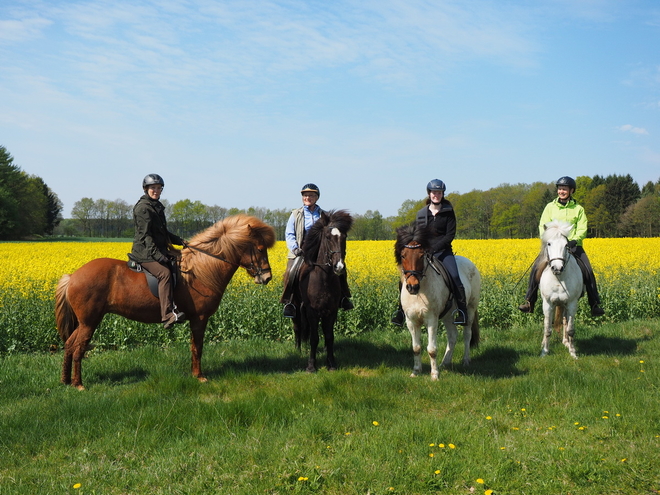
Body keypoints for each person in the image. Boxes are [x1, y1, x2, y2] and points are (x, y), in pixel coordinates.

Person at [519, 176, 605, 317]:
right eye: (559, 189)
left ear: (571, 191)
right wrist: (548, 239)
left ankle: (594, 304)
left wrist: (574, 240)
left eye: (564, 189)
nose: (561, 191)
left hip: (573, 246)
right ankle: (529, 302)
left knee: (588, 271)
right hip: (553, 246)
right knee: (536, 269)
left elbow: (582, 228)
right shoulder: (550, 207)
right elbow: (543, 225)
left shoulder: (578, 209)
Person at [391, 179, 468, 326]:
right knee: (405, 277)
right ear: (429, 194)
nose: (436, 195)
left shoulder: (448, 212)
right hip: (423, 254)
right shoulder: (421, 214)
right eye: (434, 192)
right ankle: (400, 311)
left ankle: (462, 311)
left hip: (443, 252)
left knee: (455, 277)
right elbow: (417, 235)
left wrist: (434, 248)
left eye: (439, 192)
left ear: (442, 194)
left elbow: (449, 235)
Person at [280, 183, 354, 318]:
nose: (308, 197)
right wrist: (295, 248)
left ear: (317, 197)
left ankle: (343, 297)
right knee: (291, 271)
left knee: (340, 268)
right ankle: (289, 302)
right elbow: (289, 234)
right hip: (301, 249)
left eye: (311, 195)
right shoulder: (295, 214)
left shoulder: (324, 215)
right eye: (305, 195)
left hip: (320, 250)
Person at [130, 174, 188, 329]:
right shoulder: (143, 208)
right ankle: (167, 314)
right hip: (145, 252)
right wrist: (158, 256)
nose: (156, 191)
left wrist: (181, 241)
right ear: (146, 189)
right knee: (164, 274)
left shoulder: (156, 206)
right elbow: (145, 236)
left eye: (158, 188)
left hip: (158, 249)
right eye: (153, 188)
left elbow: (163, 233)